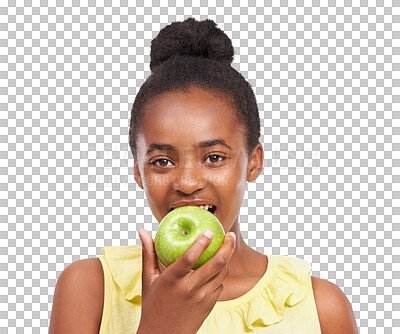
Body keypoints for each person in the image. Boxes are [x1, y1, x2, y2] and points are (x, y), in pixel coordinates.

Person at [49, 18, 358, 333]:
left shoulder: (320, 308)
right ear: (138, 172)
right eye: (162, 161)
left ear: (253, 162)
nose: (187, 183)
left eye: (214, 157)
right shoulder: (91, 288)